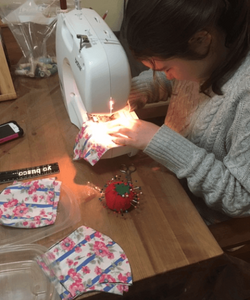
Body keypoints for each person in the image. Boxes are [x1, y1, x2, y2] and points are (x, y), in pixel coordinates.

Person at [107, 0, 250, 224]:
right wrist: (135, 91)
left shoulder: (245, 94)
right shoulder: (210, 54)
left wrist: (158, 141)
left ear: (202, 41)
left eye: (165, 68)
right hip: (169, 179)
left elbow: (240, 199)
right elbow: (178, 75)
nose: (166, 74)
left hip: (204, 221)